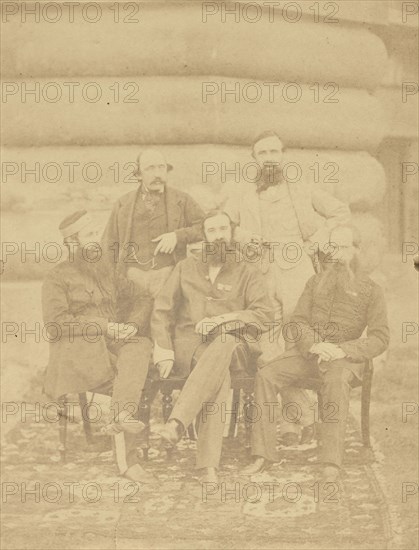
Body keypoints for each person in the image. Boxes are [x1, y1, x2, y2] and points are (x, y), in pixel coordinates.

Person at [225, 130, 351, 445]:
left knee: (298, 337)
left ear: (283, 156)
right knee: (269, 345)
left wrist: (317, 240)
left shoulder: (302, 187)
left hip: (297, 266)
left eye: (274, 152)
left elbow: (340, 212)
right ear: (253, 159)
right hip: (261, 268)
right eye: (262, 153)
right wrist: (242, 236)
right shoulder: (243, 192)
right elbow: (224, 223)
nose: (269, 158)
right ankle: (300, 419)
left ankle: (297, 422)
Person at [241, 224, 390, 481]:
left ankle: (331, 462)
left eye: (343, 247)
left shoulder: (372, 290)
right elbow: (297, 322)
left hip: (345, 359)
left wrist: (341, 349)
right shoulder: (315, 282)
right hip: (311, 353)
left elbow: (380, 337)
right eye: (332, 247)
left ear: (356, 250)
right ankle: (263, 455)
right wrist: (315, 344)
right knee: (266, 373)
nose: (336, 254)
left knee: (335, 380)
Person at [150, 210, 273, 483]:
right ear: (204, 236)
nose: (218, 236)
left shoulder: (247, 271)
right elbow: (161, 310)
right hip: (189, 348)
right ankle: (207, 467)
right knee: (218, 375)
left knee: (225, 340)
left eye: (223, 230)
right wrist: (163, 349)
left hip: (236, 348)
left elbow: (265, 314)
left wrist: (226, 318)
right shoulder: (185, 267)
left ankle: (177, 422)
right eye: (212, 231)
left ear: (231, 233)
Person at [42, 210, 155, 483]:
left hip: (114, 345)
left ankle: (122, 414)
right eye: (89, 235)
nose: (97, 241)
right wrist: (103, 326)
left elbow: (143, 297)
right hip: (80, 352)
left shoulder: (107, 271)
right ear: (72, 243)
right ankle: (127, 461)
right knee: (126, 379)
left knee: (140, 345)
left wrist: (132, 324)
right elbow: (55, 324)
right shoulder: (57, 278)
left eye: (97, 233)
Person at [101, 148, 205, 335]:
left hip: (168, 275)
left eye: (161, 167)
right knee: (134, 327)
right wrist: (109, 282)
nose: (157, 174)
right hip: (132, 277)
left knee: (165, 324)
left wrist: (177, 235)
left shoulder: (182, 200)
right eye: (150, 168)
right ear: (138, 174)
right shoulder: (123, 204)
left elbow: (205, 226)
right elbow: (109, 244)